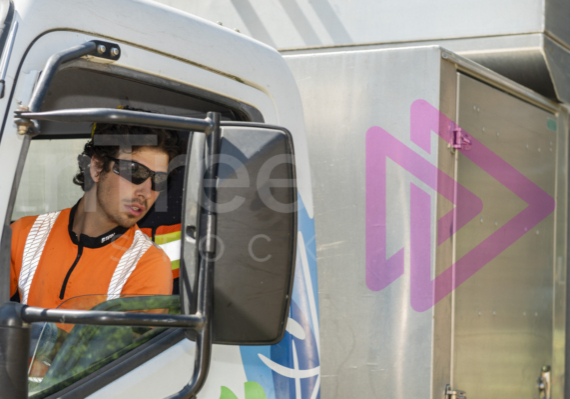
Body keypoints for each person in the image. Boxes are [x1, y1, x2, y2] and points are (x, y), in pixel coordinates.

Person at [10, 116, 184, 309]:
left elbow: (133, 339)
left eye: (159, 180)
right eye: (135, 171)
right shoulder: (23, 233)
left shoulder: (149, 264)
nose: (146, 191)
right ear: (97, 167)